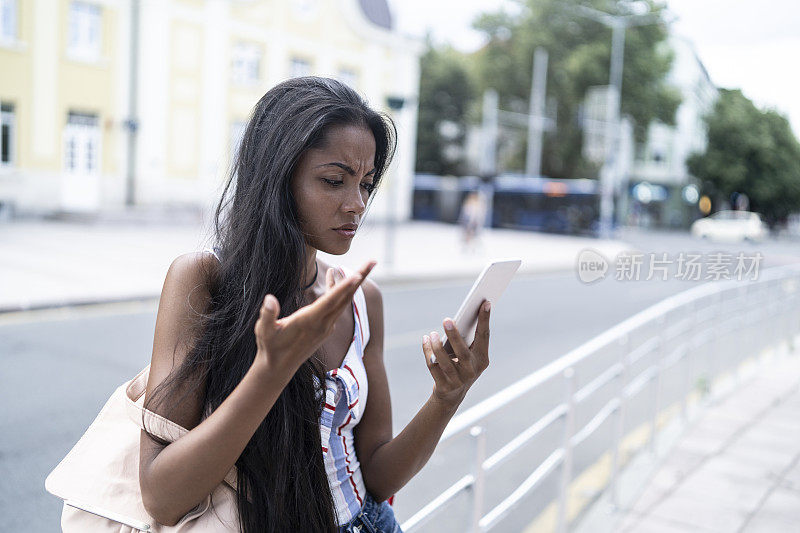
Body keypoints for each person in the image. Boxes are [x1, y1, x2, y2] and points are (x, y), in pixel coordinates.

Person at [139, 77, 492, 533]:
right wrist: (270, 372)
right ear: (277, 177)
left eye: (366, 184)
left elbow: (377, 476)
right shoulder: (203, 281)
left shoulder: (363, 300)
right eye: (333, 181)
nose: (357, 204)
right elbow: (161, 499)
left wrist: (447, 397)